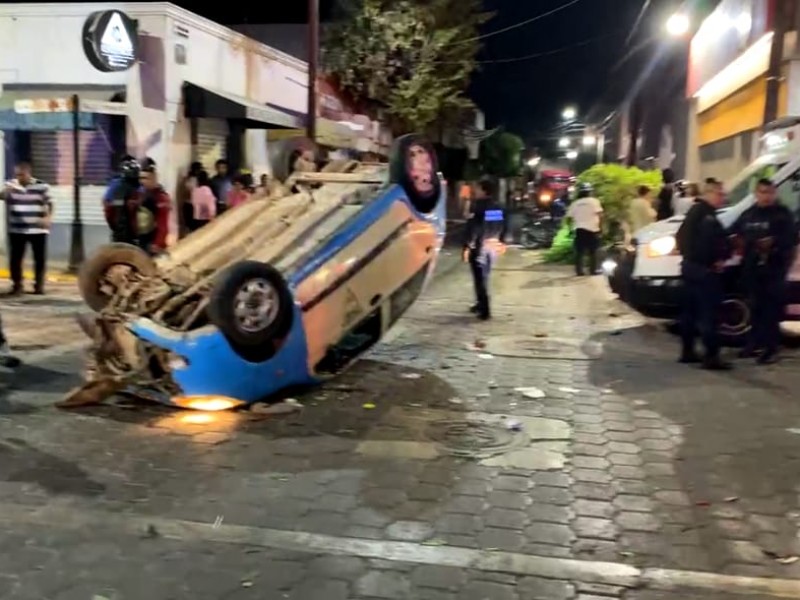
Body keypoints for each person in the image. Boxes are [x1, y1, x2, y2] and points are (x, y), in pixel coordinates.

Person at [730, 178, 796, 364]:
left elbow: (790, 239)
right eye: (762, 192)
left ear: (774, 193)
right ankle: (753, 344)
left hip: (774, 269)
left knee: (771, 310)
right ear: (756, 194)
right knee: (755, 309)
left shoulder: (782, 215)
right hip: (752, 269)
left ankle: (771, 348)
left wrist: (773, 244)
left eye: (769, 192)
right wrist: (737, 242)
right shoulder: (748, 214)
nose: (766, 196)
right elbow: (735, 232)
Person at [675, 178, 731, 370]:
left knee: (689, 314)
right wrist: (716, 260)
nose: (723, 198)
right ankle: (711, 356)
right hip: (704, 271)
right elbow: (710, 243)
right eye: (721, 194)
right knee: (708, 314)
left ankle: (687, 351)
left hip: (689, 268)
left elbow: (680, 237)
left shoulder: (694, 212)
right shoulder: (707, 216)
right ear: (710, 193)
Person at [1, 161, 52, 295]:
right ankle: (17, 285)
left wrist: (48, 218)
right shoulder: (11, 185)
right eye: (17, 175)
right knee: (15, 259)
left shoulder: (41, 186)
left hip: (38, 229)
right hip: (17, 229)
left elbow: (50, 203)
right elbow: (1, 196)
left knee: (39, 259)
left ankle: (39, 286)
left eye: (22, 175)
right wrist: (7, 191)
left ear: (29, 173)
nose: (19, 178)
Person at [463, 178, 507, 321]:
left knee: (479, 278)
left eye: (477, 188)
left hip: (480, 245)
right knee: (484, 275)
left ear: (483, 190)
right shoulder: (497, 206)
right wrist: (501, 240)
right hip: (492, 244)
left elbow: (475, 227)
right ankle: (480, 303)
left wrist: (469, 245)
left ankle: (485, 309)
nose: (475, 190)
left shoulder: (478, 206)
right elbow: (501, 225)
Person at [567, 182, 603, 276]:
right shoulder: (594, 201)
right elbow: (600, 215)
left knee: (579, 252)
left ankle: (579, 271)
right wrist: (601, 227)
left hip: (580, 230)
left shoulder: (575, 203)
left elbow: (569, 218)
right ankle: (593, 270)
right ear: (589, 192)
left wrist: (570, 229)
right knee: (593, 251)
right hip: (593, 229)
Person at [104, 157, 142, 245]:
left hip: (121, 233)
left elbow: (109, 211)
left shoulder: (117, 188)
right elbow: (110, 209)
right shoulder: (140, 189)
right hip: (133, 234)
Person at [137, 165, 171, 255]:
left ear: (154, 179)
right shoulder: (140, 194)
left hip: (153, 243)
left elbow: (163, 223)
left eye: (145, 178)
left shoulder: (161, 198)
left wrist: (157, 243)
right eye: (140, 178)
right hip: (140, 241)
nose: (142, 181)